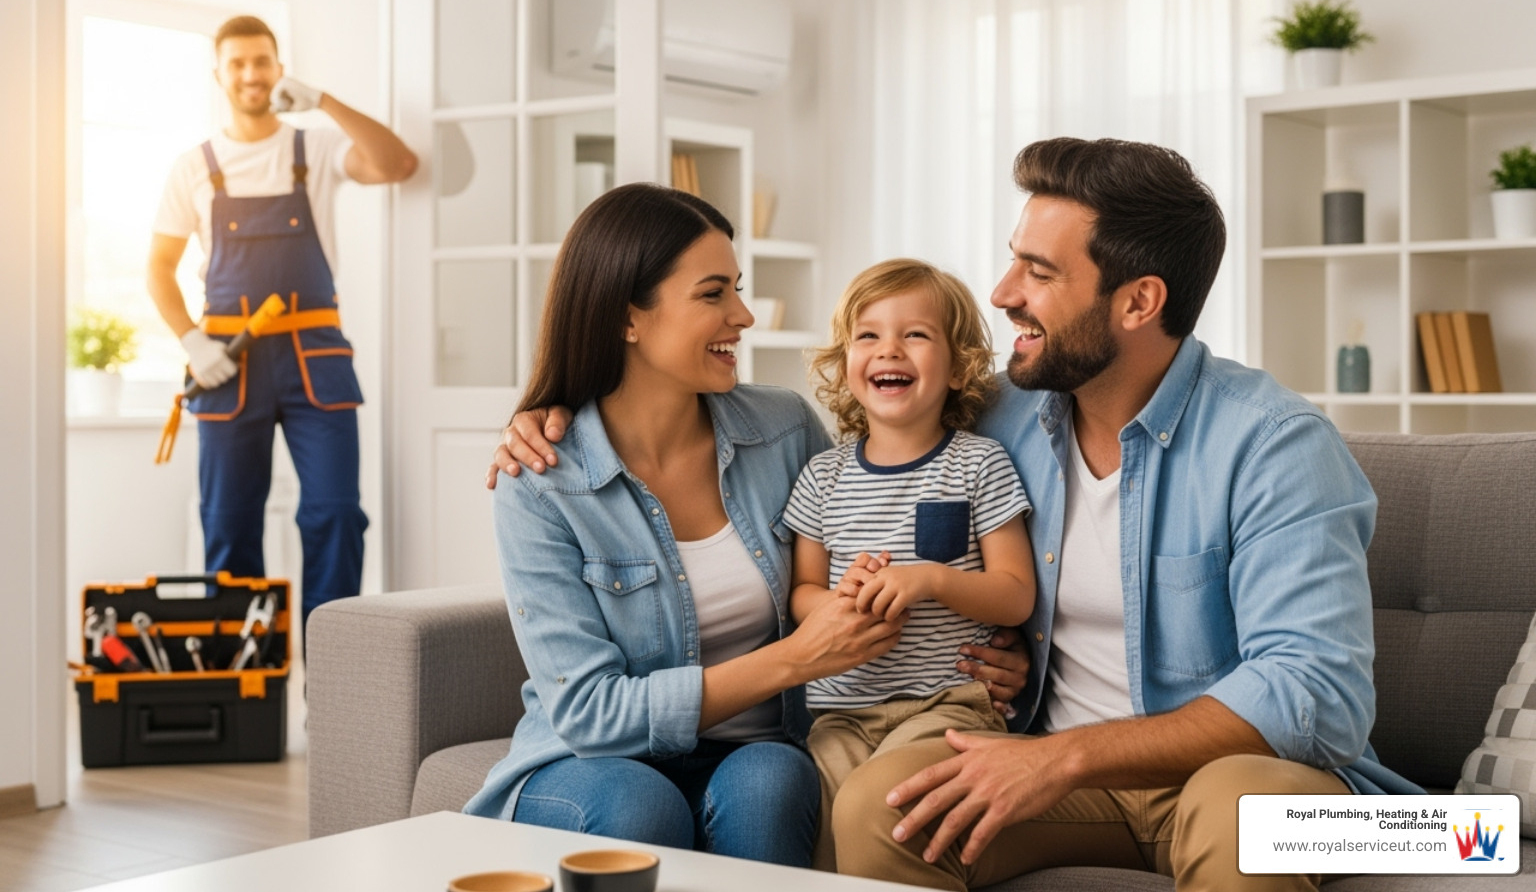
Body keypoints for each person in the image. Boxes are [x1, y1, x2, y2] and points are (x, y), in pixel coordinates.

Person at [825, 137, 1421, 892]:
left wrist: (1066, 755)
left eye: (1039, 273)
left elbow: (1315, 693)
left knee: (1235, 806)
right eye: (1015, 260)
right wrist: (996, 650)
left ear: (1139, 301)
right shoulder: (1000, 419)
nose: (1004, 292)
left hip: (1280, 792)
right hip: (1080, 791)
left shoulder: (1275, 444)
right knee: (886, 802)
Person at [473, 187, 1032, 868]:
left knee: (773, 783)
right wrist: (798, 658)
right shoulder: (541, 480)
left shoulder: (783, 429)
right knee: (639, 806)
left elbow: (878, 513)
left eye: (737, 290)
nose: (742, 315)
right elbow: (592, 715)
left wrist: (990, 645)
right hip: (590, 761)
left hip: (758, 748)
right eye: (713, 295)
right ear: (628, 318)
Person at [147, 15, 417, 630]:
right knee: (228, 522)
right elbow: (159, 268)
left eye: (261, 61)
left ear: (278, 67)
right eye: (237, 63)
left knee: (335, 514)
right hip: (228, 360)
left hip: (313, 357)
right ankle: (249, 696)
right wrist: (192, 340)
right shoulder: (194, 167)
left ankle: (333, 687)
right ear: (218, 74)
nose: (250, 74)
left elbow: (396, 162)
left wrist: (322, 101)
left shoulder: (313, 147)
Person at [783, 258, 1036, 871]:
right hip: (840, 714)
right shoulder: (822, 477)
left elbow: (1015, 594)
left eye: (915, 335)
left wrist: (929, 579)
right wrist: (841, 600)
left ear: (958, 368)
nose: (888, 350)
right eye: (867, 336)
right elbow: (801, 594)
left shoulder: (980, 465)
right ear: (847, 364)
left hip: (948, 704)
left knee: (888, 813)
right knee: (826, 835)